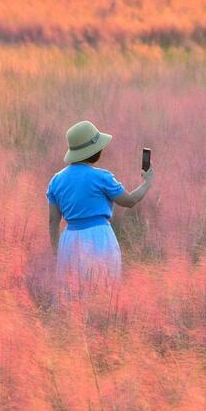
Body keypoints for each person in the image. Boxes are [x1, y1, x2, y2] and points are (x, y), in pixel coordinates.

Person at [46, 120, 154, 304]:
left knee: (72, 296)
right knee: (103, 290)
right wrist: (147, 183)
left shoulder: (56, 180)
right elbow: (129, 201)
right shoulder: (102, 177)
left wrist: (57, 251)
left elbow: (52, 221)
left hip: (69, 240)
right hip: (99, 239)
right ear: (96, 151)